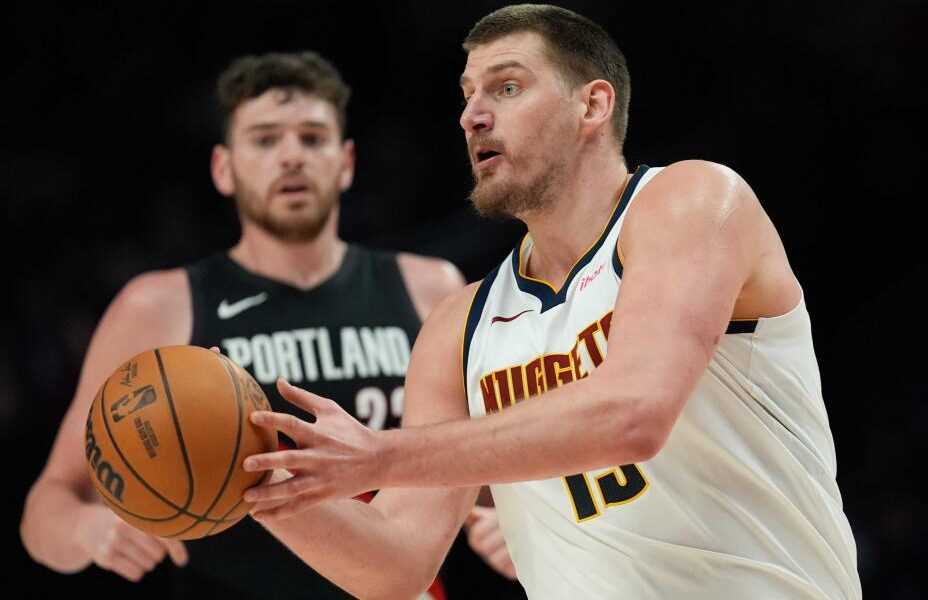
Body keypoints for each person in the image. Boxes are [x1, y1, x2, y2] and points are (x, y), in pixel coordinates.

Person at [235, 6, 863, 600]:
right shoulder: (458, 327)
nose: (472, 116)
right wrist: (248, 480)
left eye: (506, 87)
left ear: (592, 105)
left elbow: (633, 415)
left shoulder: (691, 200)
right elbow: (396, 564)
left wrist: (381, 457)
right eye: (467, 95)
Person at [19, 51, 518, 599]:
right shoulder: (158, 306)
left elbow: (485, 466)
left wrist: (515, 520)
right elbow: (48, 505)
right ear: (223, 168)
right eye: (264, 140)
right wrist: (87, 530)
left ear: (346, 162)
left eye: (312, 138)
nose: (291, 156)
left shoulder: (429, 289)